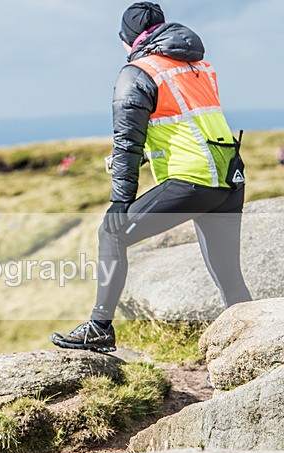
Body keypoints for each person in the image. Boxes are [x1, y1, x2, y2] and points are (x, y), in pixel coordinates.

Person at [51, 2, 252, 352]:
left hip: (193, 181)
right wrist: (149, 155)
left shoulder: (138, 72)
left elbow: (126, 142)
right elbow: (188, 127)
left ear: (127, 39)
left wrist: (119, 201)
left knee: (110, 233)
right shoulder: (199, 66)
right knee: (231, 280)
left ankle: (99, 326)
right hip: (228, 179)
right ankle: (258, 346)